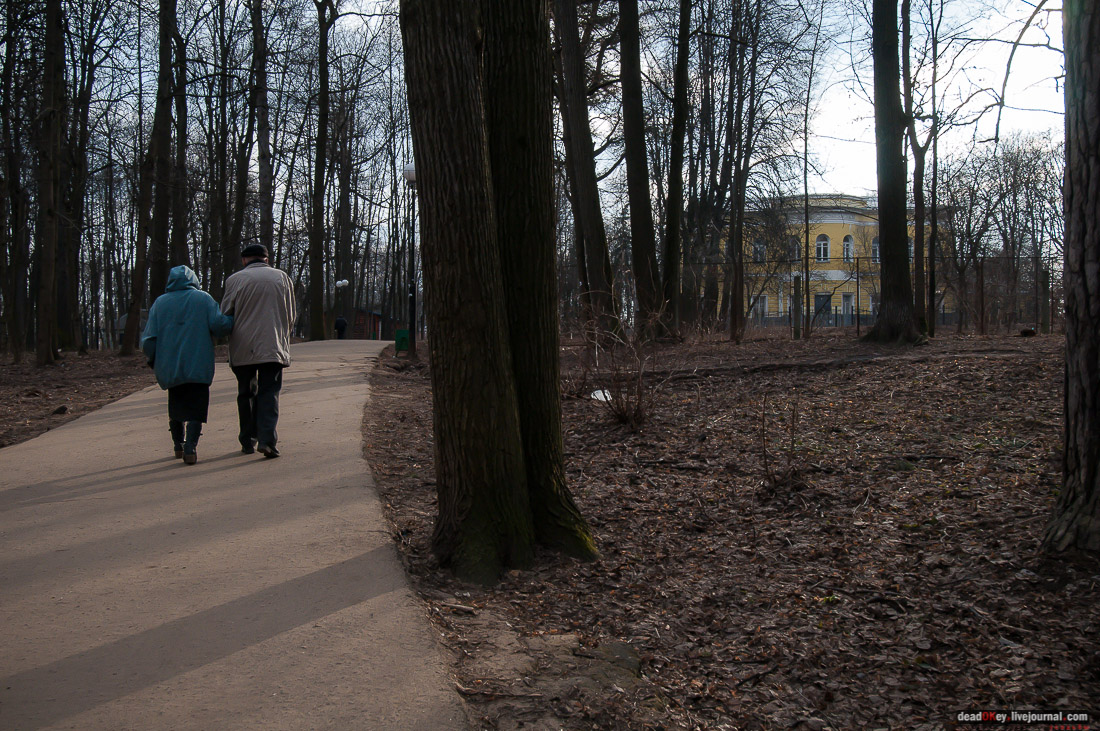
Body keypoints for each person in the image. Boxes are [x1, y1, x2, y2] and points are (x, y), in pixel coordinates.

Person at [141, 265, 234, 465]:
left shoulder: (160, 303)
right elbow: (219, 326)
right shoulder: (204, 299)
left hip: (170, 365)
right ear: (194, 280)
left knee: (176, 402)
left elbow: (148, 339)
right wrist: (232, 319)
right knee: (197, 406)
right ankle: (191, 446)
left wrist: (153, 359)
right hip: (198, 362)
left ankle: (177, 444)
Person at [221, 243, 297, 458]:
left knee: (246, 393)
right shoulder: (282, 278)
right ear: (266, 259)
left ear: (245, 260)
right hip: (272, 345)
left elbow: (225, 313)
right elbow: (291, 314)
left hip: (243, 346)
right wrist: (283, 336)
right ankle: (267, 441)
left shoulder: (235, 280)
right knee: (269, 393)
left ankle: (247, 440)